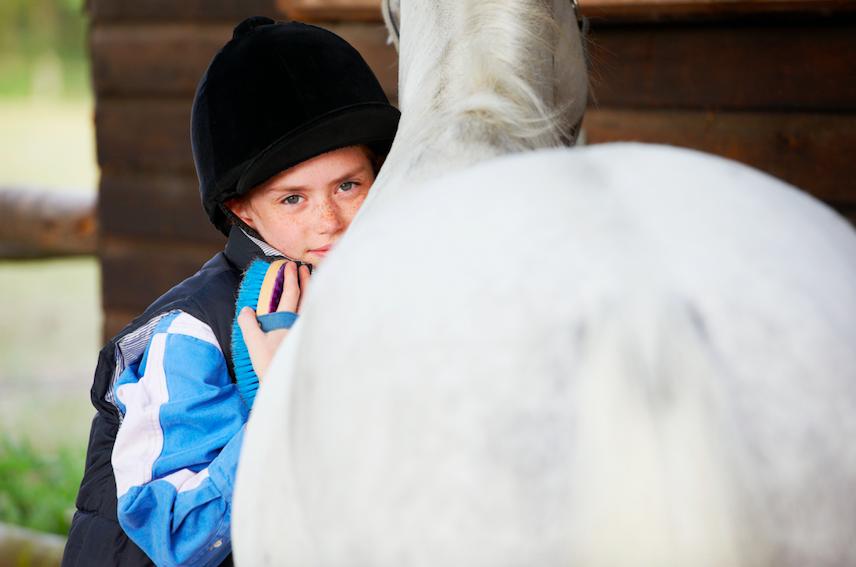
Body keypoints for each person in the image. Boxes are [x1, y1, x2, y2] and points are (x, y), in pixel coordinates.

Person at [62, 16, 399, 567]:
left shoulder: (361, 295)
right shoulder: (190, 331)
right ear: (241, 208)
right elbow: (181, 537)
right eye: (293, 199)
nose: (329, 220)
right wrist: (279, 398)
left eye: (347, 185)